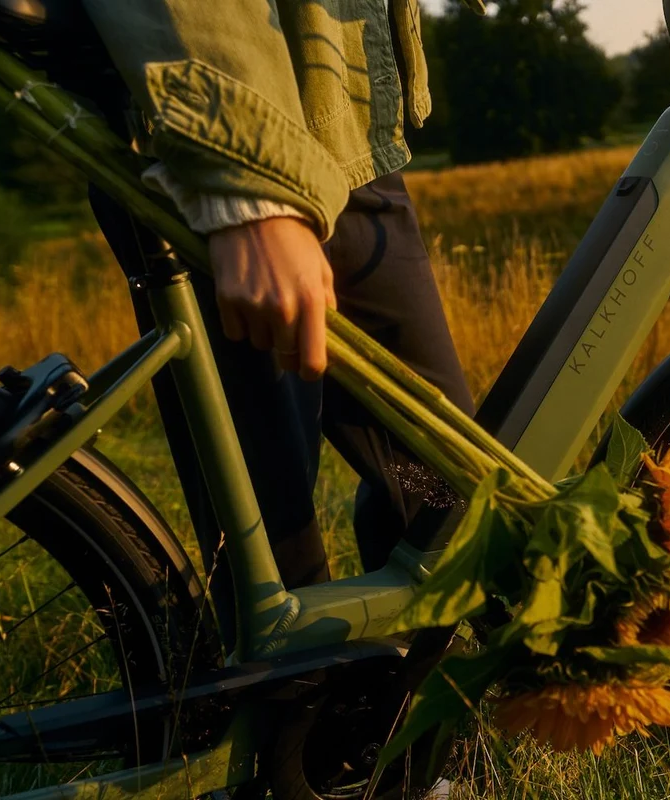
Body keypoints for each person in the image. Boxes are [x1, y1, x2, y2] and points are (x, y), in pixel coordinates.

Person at [80, 0, 484, 621]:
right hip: (226, 145)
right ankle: (283, 712)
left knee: (446, 494)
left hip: (344, 134)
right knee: (275, 577)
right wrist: (248, 182)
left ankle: (385, 703)